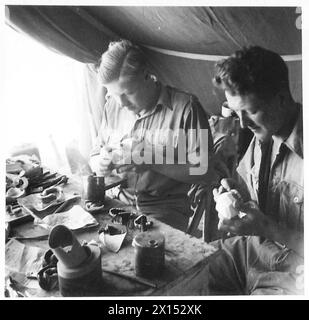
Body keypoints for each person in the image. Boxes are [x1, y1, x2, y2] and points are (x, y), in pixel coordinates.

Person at [89, 40, 215, 232]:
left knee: (142, 255)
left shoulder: (186, 108)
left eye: (128, 93)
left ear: (147, 75)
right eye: (114, 94)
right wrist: (101, 162)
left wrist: (152, 160)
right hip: (117, 201)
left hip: (164, 209)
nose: (121, 103)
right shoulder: (112, 106)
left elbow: (204, 171)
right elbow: (95, 154)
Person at [209, 46, 303, 295]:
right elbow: (248, 191)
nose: (242, 123)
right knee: (187, 274)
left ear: (281, 99)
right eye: (235, 111)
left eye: (250, 111)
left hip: (295, 273)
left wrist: (268, 228)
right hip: (250, 251)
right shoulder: (263, 134)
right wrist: (234, 193)